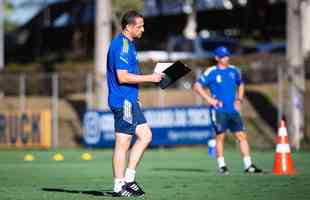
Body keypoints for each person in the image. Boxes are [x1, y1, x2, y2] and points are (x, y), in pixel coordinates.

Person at [106, 10, 164, 197]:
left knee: (145, 135)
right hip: (123, 102)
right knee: (123, 142)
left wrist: (136, 94)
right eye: (139, 26)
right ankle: (118, 187)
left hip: (130, 100)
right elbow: (122, 77)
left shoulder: (129, 45)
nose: (142, 29)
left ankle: (129, 180)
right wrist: (152, 78)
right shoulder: (122, 46)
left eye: (143, 25)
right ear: (128, 27)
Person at [193, 46, 262, 175]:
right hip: (218, 110)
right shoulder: (211, 71)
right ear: (217, 58)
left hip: (233, 110)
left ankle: (248, 166)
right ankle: (222, 166)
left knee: (242, 135)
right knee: (220, 137)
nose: (226, 58)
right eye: (223, 56)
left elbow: (240, 84)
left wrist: (239, 99)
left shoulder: (234, 70)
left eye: (227, 56)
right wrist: (209, 99)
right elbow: (197, 86)